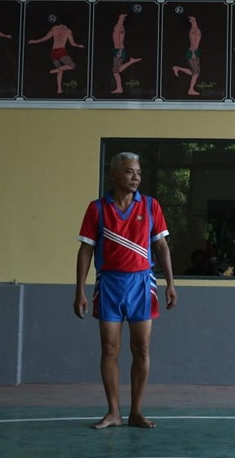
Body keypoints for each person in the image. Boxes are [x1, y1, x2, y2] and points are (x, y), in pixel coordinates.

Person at [73, 152, 177, 429]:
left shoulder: (151, 205)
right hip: (109, 284)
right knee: (109, 348)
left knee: (142, 348)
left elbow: (161, 246)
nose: (135, 177)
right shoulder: (97, 209)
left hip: (142, 284)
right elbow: (85, 250)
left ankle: (136, 412)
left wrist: (170, 283)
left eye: (139, 172)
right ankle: (114, 413)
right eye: (129, 171)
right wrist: (79, 290)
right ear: (114, 175)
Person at [27, 18, 84, 94]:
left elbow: (44, 38)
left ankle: (59, 89)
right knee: (72, 65)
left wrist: (34, 41)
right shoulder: (68, 31)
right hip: (61, 51)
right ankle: (55, 70)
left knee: (60, 71)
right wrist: (79, 45)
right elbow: (72, 43)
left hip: (53, 52)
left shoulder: (54, 28)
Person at [111, 14, 142, 94]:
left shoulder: (120, 28)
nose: (120, 17)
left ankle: (119, 88)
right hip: (117, 50)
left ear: (124, 19)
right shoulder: (118, 26)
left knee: (115, 72)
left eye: (122, 17)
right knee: (118, 70)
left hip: (119, 50)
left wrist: (120, 51)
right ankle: (131, 61)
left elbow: (121, 40)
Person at [172, 15, 202, 96]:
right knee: (196, 74)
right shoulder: (193, 30)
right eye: (192, 19)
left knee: (194, 72)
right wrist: (193, 53)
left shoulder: (195, 28)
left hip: (195, 51)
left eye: (193, 18)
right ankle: (191, 90)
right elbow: (193, 42)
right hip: (193, 52)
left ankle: (177, 68)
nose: (193, 19)